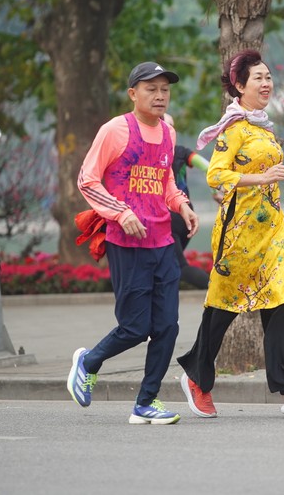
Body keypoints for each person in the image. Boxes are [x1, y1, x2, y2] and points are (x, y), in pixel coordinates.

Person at [176, 49, 284, 417]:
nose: (266, 83)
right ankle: (197, 376)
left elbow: (265, 169)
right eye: (258, 77)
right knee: (223, 308)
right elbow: (216, 175)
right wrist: (262, 176)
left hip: (271, 233)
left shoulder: (262, 127)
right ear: (239, 86)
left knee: (281, 300)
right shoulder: (233, 130)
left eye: (269, 76)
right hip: (238, 234)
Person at [67, 61, 199, 425]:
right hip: (126, 244)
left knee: (168, 326)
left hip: (163, 243)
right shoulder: (115, 130)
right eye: (151, 89)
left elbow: (166, 182)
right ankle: (88, 361)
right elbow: (87, 180)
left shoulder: (168, 134)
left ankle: (146, 402)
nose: (159, 96)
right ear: (133, 93)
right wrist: (120, 213)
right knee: (135, 328)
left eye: (165, 90)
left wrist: (183, 206)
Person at [164, 113, 222, 289]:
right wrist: (215, 191)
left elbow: (209, 168)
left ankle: (218, 291)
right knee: (167, 268)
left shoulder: (158, 154)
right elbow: (208, 168)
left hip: (170, 217)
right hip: (187, 214)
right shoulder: (182, 152)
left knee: (179, 267)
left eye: (171, 126)